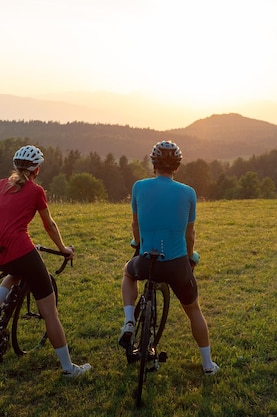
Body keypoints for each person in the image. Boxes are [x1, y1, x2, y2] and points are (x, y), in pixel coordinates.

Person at [117, 140, 219, 375]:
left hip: (147, 260)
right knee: (194, 310)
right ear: (177, 167)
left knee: (128, 272)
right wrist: (190, 257)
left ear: (153, 164)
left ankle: (130, 321)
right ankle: (207, 365)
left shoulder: (139, 187)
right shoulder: (188, 193)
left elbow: (136, 224)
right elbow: (189, 234)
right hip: (176, 264)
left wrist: (139, 244)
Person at [0, 145, 92, 378]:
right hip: (21, 252)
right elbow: (49, 224)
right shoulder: (36, 191)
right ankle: (69, 369)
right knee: (50, 313)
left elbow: (11, 219)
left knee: (14, 272)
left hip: (0, 252)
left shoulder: (0, 185)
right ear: (37, 170)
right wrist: (63, 249)